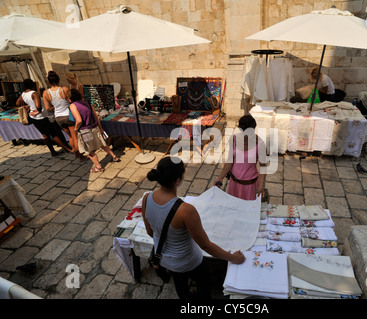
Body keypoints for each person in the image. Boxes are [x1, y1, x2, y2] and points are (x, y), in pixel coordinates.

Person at [142, 156, 246, 299]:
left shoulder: (147, 198)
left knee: (180, 282)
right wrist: (233, 258)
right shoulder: (185, 210)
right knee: (204, 284)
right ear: (178, 180)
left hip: (166, 260)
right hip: (188, 260)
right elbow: (206, 246)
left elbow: (150, 232)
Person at [213, 115, 267, 200]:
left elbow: (263, 166)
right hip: (234, 184)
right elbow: (230, 161)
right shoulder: (234, 139)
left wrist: (261, 186)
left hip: (250, 186)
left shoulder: (260, 144)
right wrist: (220, 178)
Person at [15, 79, 73, 156]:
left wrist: (29, 106)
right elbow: (38, 106)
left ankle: (53, 152)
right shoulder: (34, 94)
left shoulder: (24, 94)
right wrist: (37, 110)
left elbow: (17, 103)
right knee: (54, 134)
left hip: (34, 118)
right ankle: (67, 149)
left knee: (45, 135)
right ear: (32, 85)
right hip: (41, 117)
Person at [67, 89, 120, 173]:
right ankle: (114, 157)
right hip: (95, 128)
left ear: (70, 97)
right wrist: (101, 128)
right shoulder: (87, 103)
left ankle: (98, 167)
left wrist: (76, 128)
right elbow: (96, 117)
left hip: (85, 131)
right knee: (102, 144)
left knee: (89, 151)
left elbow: (79, 120)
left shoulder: (73, 106)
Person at [43, 71, 86, 162]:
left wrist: (56, 106)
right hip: (68, 115)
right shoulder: (64, 89)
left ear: (49, 82)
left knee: (70, 136)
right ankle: (80, 156)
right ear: (58, 80)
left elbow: (48, 108)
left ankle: (76, 154)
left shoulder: (46, 93)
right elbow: (71, 101)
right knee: (75, 137)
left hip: (58, 117)